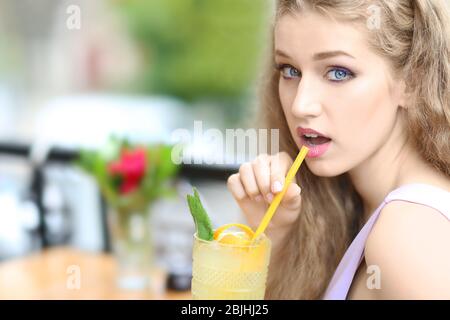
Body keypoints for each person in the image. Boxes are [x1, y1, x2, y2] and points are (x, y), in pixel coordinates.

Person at [227, 0, 450, 299]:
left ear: (413, 80)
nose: (300, 105)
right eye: (290, 70)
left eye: (338, 73)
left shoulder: (408, 235)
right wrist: (275, 234)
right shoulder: (357, 207)